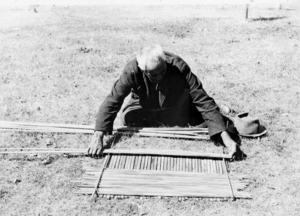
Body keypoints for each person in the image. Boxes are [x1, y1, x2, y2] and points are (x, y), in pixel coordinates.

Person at [88, 44, 237, 158]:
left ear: (165, 62)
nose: (159, 77)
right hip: (144, 105)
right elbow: (113, 99)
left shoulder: (178, 66)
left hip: (174, 104)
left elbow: (201, 99)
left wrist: (226, 137)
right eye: (153, 74)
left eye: (162, 71)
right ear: (142, 70)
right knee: (129, 119)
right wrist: (98, 135)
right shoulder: (132, 70)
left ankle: (219, 110)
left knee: (205, 124)